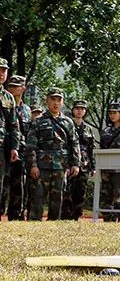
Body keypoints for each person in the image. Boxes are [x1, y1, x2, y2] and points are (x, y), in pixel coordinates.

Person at [25, 87, 80, 221]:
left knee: (57, 199)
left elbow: (74, 143)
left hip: (60, 166)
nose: (56, 103)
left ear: (62, 102)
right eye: (53, 99)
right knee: (37, 197)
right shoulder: (38, 121)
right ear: (47, 101)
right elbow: (31, 145)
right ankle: (34, 224)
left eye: (59, 100)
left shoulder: (68, 122)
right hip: (41, 166)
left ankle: (53, 225)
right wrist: (33, 165)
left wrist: (76, 164)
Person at [61, 100, 95, 220]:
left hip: (84, 164)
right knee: (67, 190)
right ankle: (65, 216)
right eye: (77, 108)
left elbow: (91, 149)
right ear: (73, 110)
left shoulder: (88, 129)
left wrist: (93, 166)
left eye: (82, 109)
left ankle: (76, 216)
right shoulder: (67, 125)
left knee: (81, 192)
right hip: (70, 162)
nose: (79, 111)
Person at [4, 75, 31, 220]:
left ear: (23, 89)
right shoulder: (4, 104)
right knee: (4, 183)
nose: (13, 89)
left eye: (16, 86)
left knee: (19, 183)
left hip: (21, 151)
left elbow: (29, 132)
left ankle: (16, 214)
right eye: (10, 86)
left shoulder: (27, 110)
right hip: (5, 148)